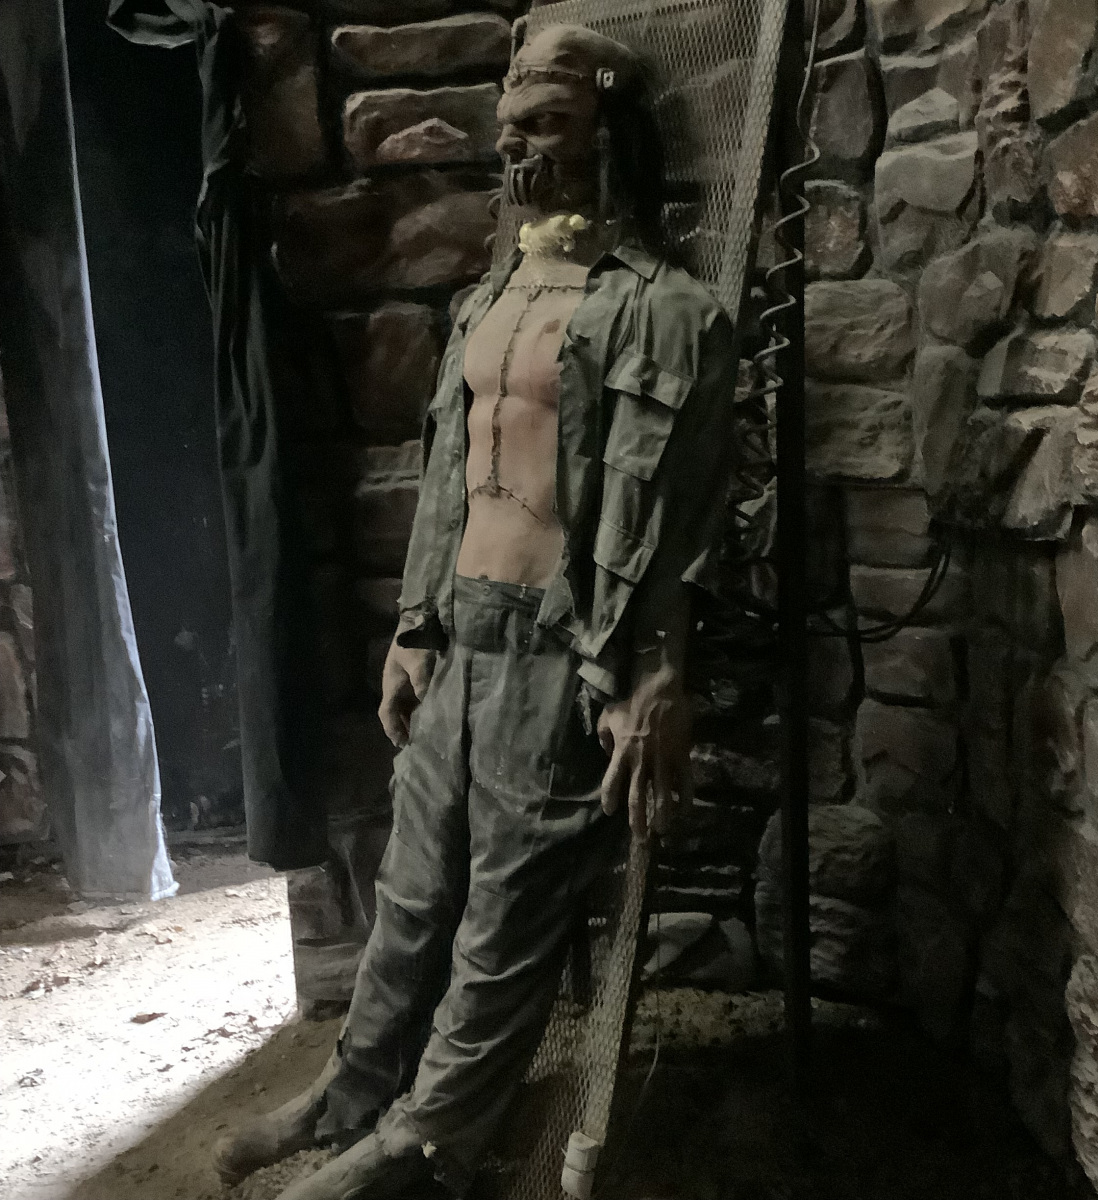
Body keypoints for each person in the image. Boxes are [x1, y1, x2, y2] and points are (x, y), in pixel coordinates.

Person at [213, 24, 736, 1200]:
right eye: (511, 131)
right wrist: (414, 628)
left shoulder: (674, 316)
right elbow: (449, 478)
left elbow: (687, 521)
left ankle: (425, 1142)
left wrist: (659, 673)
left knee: (504, 919)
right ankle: (353, 1088)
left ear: (610, 134)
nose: (521, 152)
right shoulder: (488, 301)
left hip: (565, 652)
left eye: (548, 124)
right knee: (410, 894)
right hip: (466, 638)